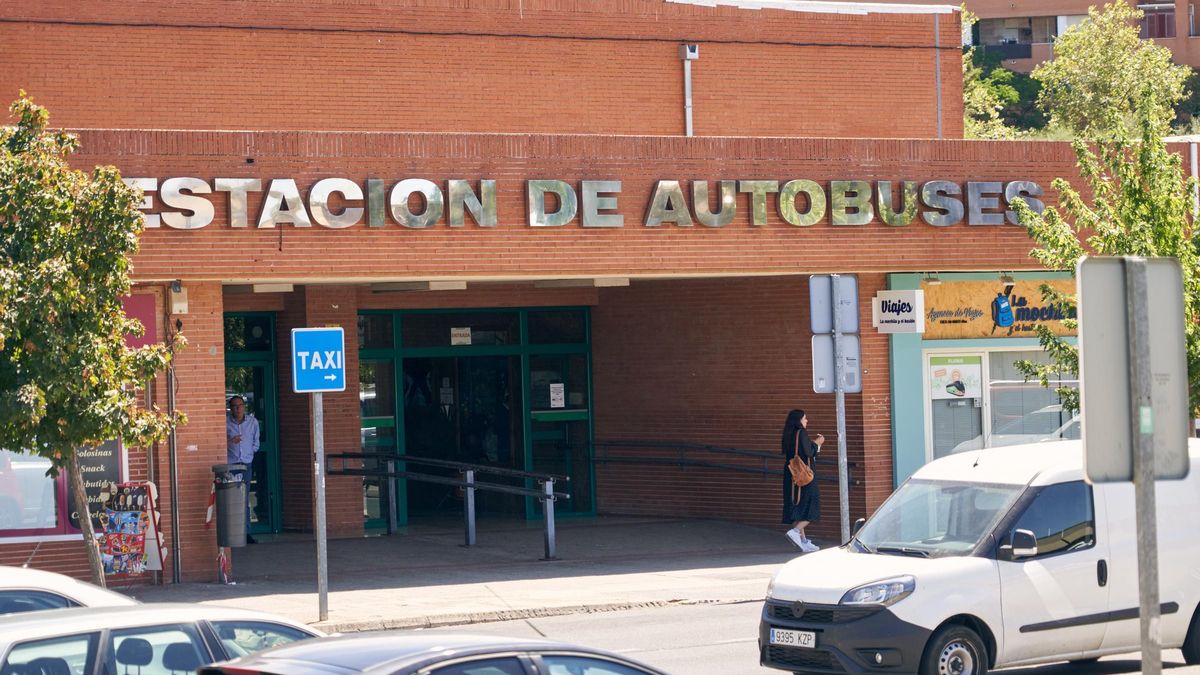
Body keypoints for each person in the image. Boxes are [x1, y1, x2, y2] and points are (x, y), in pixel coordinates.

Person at [781, 409, 823, 553]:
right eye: (805, 418)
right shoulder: (801, 433)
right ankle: (795, 531)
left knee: (796, 506)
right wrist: (817, 443)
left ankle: (803, 540)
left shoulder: (788, 434)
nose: (806, 421)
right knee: (811, 505)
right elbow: (809, 452)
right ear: (799, 420)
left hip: (792, 474)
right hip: (805, 476)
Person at [226, 395, 261, 543]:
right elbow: (219, 442)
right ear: (230, 408)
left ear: (244, 406)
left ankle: (246, 533)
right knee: (230, 500)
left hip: (245, 464)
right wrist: (230, 441)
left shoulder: (252, 422)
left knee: (244, 499)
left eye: (240, 405)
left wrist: (251, 452)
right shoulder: (225, 423)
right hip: (231, 465)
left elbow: (256, 441)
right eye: (234, 406)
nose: (237, 408)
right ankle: (231, 532)